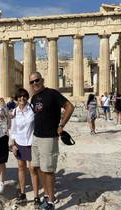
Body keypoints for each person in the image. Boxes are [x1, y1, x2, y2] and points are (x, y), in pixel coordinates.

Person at [29, 72, 74, 210]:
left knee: (48, 170)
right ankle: (48, 196)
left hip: (49, 138)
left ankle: (51, 202)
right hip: (36, 137)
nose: (35, 83)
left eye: (37, 80)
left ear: (42, 80)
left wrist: (61, 125)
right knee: (38, 167)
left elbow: (69, 107)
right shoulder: (34, 98)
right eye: (32, 82)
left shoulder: (52, 93)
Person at [9, 88, 35, 204]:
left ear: (27, 97)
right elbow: (12, 129)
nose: (22, 98)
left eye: (24, 96)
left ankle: (36, 196)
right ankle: (23, 193)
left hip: (32, 142)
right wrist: (12, 144)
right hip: (19, 142)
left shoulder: (33, 109)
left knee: (33, 169)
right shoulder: (14, 112)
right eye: (20, 97)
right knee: (21, 167)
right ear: (16, 98)